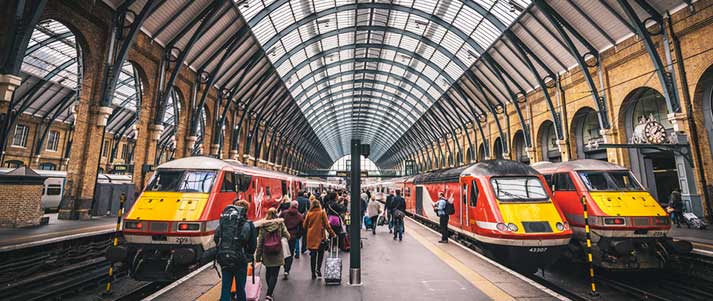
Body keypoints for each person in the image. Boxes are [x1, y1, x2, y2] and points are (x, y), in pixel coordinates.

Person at [215, 200, 256, 301]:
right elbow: (252, 246)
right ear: (245, 210)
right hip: (240, 260)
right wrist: (248, 255)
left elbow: (216, 238)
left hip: (224, 258)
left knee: (225, 288)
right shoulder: (248, 224)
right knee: (240, 289)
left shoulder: (224, 223)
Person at [255, 208, 290, 301]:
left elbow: (260, 243)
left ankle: (270, 291)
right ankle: (269, 294)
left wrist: (257, 257)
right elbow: (288, 236)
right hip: (277, 252)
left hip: (266, 253)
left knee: (268, 272)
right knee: (274, 274)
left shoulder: (263, 226)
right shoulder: (280, 224)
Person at [303, 199, 337, 279]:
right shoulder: (322, 213)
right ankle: (318, 269)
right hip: (320, 237)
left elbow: (304, 225)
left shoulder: (309, 213)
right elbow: (327, 225)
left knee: (313, 255)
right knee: (320, 254)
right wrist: (333, 234)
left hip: (311, 237)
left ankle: (312, 273)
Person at [278, 201, 303, 279]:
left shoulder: (284, 213)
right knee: (290, 253)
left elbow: (278, 222)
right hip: (292, 236)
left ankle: (284, 265)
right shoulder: (299, 216)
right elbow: (302, 228)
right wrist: (298, 236)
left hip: (283, 236)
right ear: (297, 206)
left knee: (284, 252)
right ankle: (287, 270)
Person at [296, 191, 310, 256]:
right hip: (304, 219)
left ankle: (296, 250)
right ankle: (303, 249)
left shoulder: (295, 200)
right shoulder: (306, 200)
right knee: (305, 234)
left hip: (296, 219)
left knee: (296, 235)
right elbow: (309, 209)